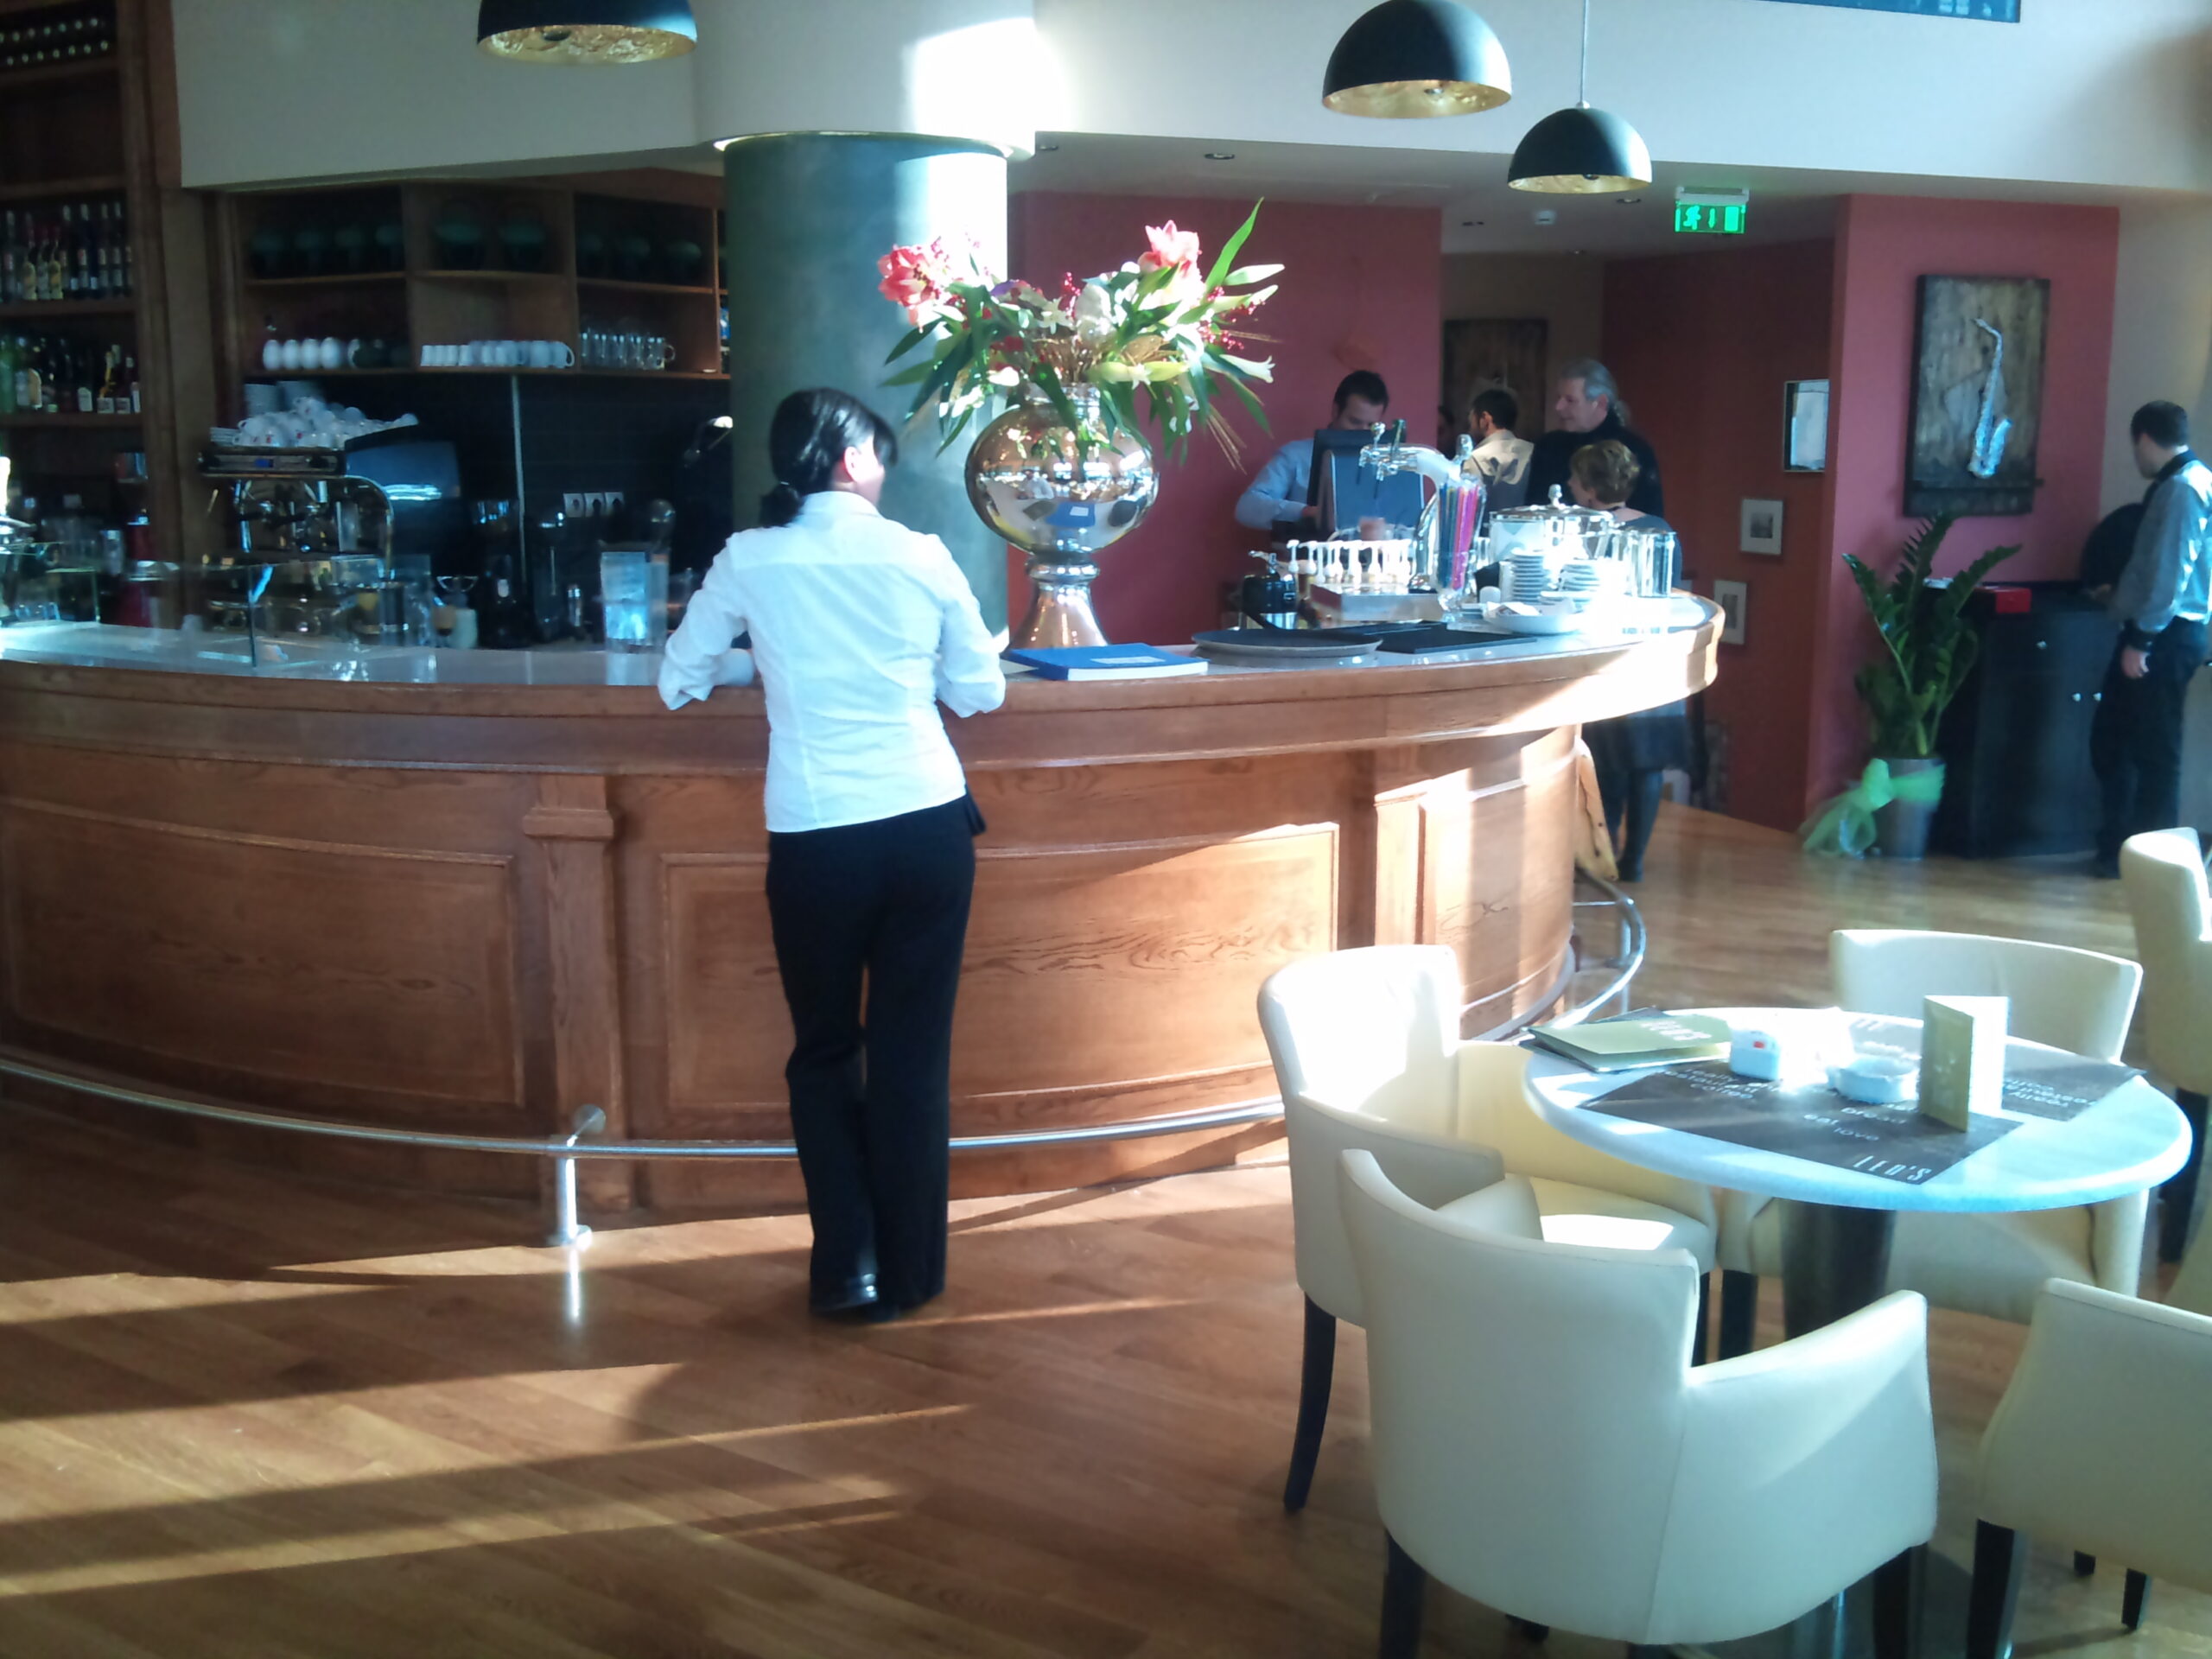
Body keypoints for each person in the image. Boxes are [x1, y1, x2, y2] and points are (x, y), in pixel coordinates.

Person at [659, 388, 1007, 1320]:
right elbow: (980, 693)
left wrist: (767, 660)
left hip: (816, 839)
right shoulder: (921, 554)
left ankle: (845, 1267)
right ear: (852, 461)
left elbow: (678, 678)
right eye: (879, 456)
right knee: (910, 1057)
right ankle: (911, 1274)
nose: (883, 471)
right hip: (926, 828)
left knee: (822, 1051)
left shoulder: (748, 559)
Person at [2090, 400, 2212, 877]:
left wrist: (2141, 640)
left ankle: (2151, 865)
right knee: (2119, 740)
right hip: (2168, 630)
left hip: (2165, 635)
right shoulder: (2191, 482)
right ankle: (2123, 849)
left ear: (2143, 438)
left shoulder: (2181, 490)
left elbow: (2170, 573)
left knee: (2152, 750)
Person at [1568, 439, 1689, 882]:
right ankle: (1634, 859)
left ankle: (1606, 852)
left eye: (1574, 479)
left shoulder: (1584, 533)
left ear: (1589, 489)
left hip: (1609, 656)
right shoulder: (1660, 529)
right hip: (1657, 656)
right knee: (1648, 762)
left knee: (1608, 760)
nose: (1569, 485)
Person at [1234, 370, 1390, 535]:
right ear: (1336, 411)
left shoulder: (1387, 463)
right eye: (1354, 422)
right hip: (1307, 549)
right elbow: (1247, 508)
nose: (1362, 432)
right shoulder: (1295, 456)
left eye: (1372, 426)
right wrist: (1304, 512)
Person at [1524, 359, 1663, 517]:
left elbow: (1648, 518)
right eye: (1559, 398)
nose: (1559, 407)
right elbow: (1532, 509)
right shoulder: (1548, 446)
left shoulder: (1634, 450)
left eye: (1570, 400)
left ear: (1601, 403)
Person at [1465, 385, 1534, 513]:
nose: (1470, 428)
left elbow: (1469, 509)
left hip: (1488, 525)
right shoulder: (1533, 451)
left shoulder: (1476, 458)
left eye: (1471, 420)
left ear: (1485, 419)